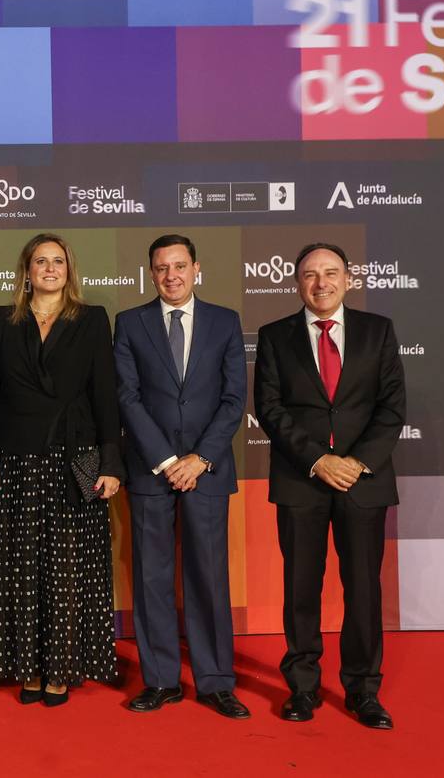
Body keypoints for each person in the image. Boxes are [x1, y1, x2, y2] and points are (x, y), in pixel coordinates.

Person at [254, 242, 405, 730]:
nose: (321, 283)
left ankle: (364, 690)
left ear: (348, 278)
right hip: (302, 480)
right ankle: (302, 688)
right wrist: (319, 461)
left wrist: (355, 462)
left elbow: (392, 407)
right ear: (297, 282)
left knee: (363, 589)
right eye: (310, 275)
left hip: (364, 482)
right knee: (301, 587)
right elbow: (270, 408)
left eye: (331, 273)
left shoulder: (377, 331)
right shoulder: (275, 336)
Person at [0, 233, 123, 706]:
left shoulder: (91, 320)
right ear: (26, 271)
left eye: (57, 261)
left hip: (72, 457)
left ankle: (60, 668)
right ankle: (28, 666)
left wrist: (111, 462)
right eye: (39, 261)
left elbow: (105, 393)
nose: (48, 268)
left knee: (65, 569)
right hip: (16, 461)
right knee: (20, 569)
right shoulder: (3, 321)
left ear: (69, 269)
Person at [114, 235, 249, 719]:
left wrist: (199, 459)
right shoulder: (129, 323)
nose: (171, 275)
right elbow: (127, 398)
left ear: (196, 267)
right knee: (151, 578)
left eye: (179, 266)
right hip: (152, 472)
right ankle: (161, 680)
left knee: (209, 578)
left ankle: (215, 681)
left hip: (208, 471)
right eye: (161, 268)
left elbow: (235, 399)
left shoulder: (225, 321)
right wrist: (168, 461)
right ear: (150, 273)